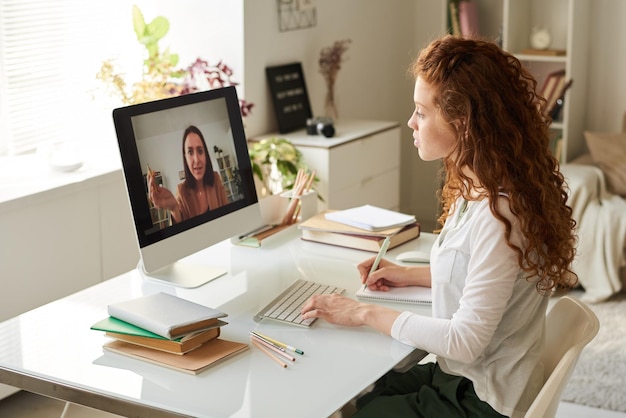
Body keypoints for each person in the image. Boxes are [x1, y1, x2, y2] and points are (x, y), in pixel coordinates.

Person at [301, 35, 578, 418]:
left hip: (482, 399)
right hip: (468, 377)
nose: (412, 122)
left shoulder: (501, 214)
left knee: (357, 405)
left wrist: (362, 312)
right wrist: (408, 275)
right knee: (351, 388)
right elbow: (484, 274)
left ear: (462, 122)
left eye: (421, 112)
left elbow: (464, 341)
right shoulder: (481, 182)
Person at [147, 125, 229, 224]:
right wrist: (173, 208)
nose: (196, 160)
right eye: (190, 152)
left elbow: (229, 217)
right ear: (185, 158)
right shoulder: (181, 192)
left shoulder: (216, 179)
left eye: (200, 151)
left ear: (205, 155)